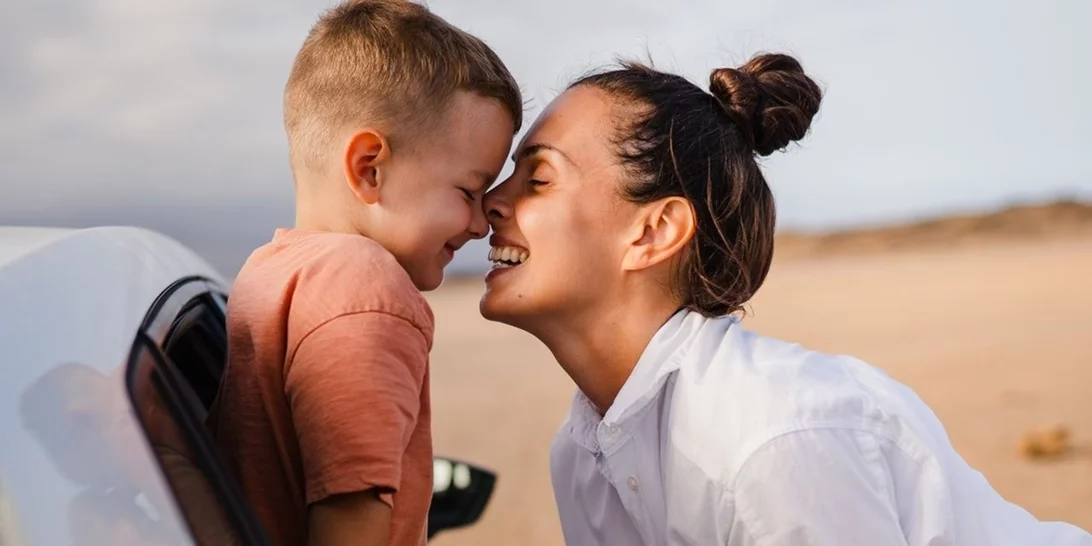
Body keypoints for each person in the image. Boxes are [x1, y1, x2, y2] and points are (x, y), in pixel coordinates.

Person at [480, 52, 1092, 545]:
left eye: (539, 178)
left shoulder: (772, 439)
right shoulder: (582, 456)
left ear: (654, 231)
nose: (491, 202)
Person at [205, 1, 522, 545]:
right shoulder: (366, 288)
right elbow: (352, 507)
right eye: (469, 191)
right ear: (369, 168)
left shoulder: (267, 270)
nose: (479, 224)